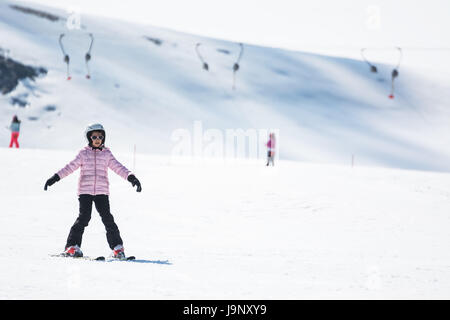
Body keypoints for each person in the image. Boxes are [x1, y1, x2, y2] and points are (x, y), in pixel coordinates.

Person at [44, 123, 142, 259]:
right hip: (85, 192)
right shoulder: (83, 153)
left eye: (100, 137)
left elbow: (118, 167)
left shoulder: (107, 154)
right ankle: (72, 247)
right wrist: (55, 178)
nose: (97, 139)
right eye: (94, 136)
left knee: (108, 219)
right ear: (89, 138)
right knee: (84, 218)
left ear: (103, 138)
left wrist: (132, 178)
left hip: (102, 191)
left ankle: (118, 249)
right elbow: (70, 167)